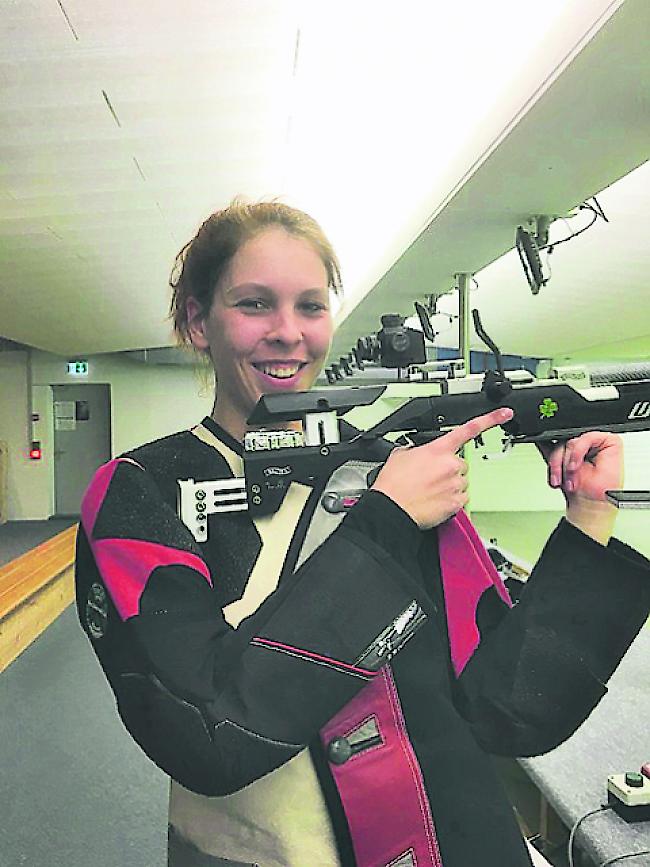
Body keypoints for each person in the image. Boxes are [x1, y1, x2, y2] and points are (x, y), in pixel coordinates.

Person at [75, 200, 650, 867]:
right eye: (255, 304)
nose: (288, 332)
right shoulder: (140, 492)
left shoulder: (390, 470)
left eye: (312, 307)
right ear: (199, 320)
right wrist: (385, 520)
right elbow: (210, 734)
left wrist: (589, 513)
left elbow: (510, 707)